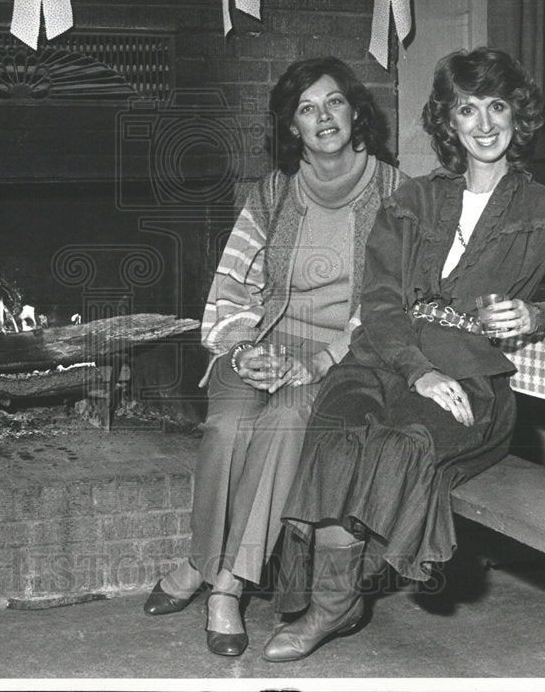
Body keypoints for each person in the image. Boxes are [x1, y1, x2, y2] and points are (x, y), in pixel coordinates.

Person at [263, 47, 545, 662]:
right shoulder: (413, 200)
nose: (485, 124)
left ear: (518, 118)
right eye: (469, 109)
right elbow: (381, 302)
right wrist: (419, 368)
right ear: (450, 123)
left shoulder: (542, 213)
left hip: (468, 379)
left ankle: (330, 607)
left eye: (497, 107)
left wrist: (540, 313)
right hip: (383, 361)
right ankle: (333, 601)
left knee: (397, 443)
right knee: (339, 431)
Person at [142, 57, 404, 657]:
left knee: (286, 421)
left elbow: (394, 303)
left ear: (354, 109)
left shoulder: (396, 193)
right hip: (266, 342)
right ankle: (199, 559)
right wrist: (243, 349)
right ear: (292, 127)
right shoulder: (273, 193)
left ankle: (224, 586)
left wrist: (321, 360)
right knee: (228, 423)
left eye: (333, 102)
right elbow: (232, 282)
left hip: (346, 355)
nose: (323, 118)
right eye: (306, 109)